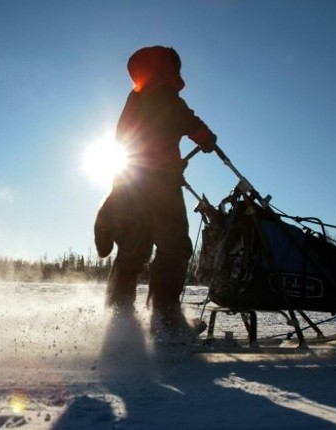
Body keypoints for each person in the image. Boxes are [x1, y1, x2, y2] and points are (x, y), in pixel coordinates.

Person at [94, 46, 217, 342]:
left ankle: (119, 321)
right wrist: (206, 138)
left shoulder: (134, 99)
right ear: (166, 70)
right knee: (173, 247)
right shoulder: (166, 98)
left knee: (132, 251)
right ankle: (166, 321)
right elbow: (189, 123)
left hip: (129, 185)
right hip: (160, 189)